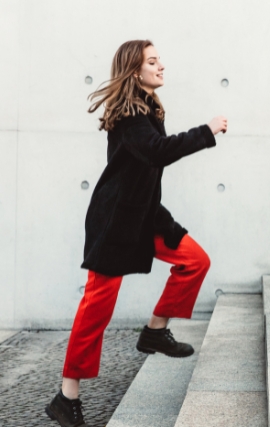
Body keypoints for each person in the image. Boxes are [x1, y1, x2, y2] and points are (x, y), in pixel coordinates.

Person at [45, 39, 228, 427]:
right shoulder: (129, 117)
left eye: (160, 60)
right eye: (153, 61)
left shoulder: (147, 109)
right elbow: (159, 151)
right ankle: (66, 396)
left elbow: (150, 163)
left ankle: (155, 331)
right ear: (135, 71)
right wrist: (206, 131)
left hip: (145, 215)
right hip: (114, 223)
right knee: (96, 309)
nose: (162, 66)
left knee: (195, 260)